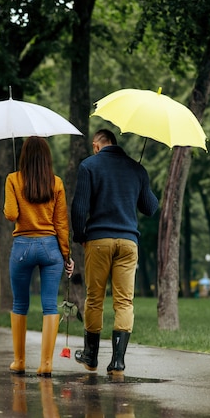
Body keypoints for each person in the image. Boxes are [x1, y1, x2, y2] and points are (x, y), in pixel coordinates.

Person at [71, 128, 158, 375]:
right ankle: (118, 363)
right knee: (124, 302)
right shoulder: (136, 168)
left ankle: (91, 357)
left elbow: (79, 208)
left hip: (99, 241)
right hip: (129, 243)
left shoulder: (89, 166)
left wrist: (80, 237)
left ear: (97, 145)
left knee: (95, 299)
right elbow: (150, 207)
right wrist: (141, 179)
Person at [4, 136, 74, 377]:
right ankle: (46, 364)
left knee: (20, 304)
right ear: (47, 157)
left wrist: (12, 198)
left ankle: (20, 361)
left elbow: (11, 214)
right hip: (50, 248)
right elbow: (61, 223)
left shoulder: (13, 179)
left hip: (22, 247)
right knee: (49, 307)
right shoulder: (56, 183)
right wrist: (66, 255)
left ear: (23, 156)